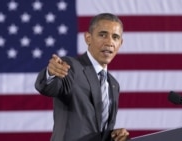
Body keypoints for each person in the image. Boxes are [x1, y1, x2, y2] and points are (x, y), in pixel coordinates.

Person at [35, 13, 130, 141]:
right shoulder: (71, 67)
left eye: (115, 37)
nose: (109, 42)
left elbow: (97, 128)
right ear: (88, 38)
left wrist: (113, 135)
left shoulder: (113, 84)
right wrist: (51, 73)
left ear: (121, 43)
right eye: (102, 35)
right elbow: (48, 87)